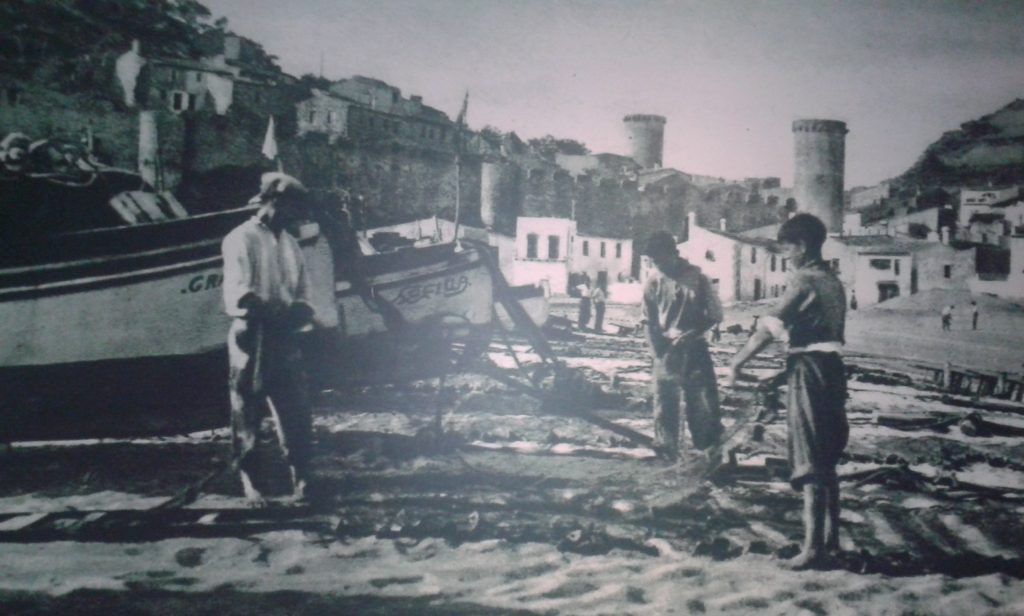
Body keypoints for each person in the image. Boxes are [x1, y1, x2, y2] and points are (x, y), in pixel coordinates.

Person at [726, 213, 848, 570]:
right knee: (827, 457)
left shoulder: (804, 278)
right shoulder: (832, 280)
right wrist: (781, 375)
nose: (785, 255)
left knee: (809, 456)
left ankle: (812, 550)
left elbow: (769, 328)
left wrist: (738, 363)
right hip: (831, 371)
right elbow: (825, 340)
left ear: (803, 246)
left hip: (809, 372)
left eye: (787, 248)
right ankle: (831, 541)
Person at [222, 172, 316, 506]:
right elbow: (238, 290)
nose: (296, 215)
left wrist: (299, 312)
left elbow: (305, 293)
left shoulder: (291, 244)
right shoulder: (240, 238)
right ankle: (251, 483)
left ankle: (301, 478)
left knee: (295, 410)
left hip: (284, 335)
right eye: (291, 207)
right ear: (272, 202)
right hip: (252, 334)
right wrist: (265, 312)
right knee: (246, 409)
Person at [642, 231, 724, 460]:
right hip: (666, 348)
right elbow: (647, 321)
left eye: (660, 258)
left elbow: (715, 314)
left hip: (695, 347)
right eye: (653, 259)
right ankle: (667, 453)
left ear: (674, 254)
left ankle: (707, 453)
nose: (657, 263)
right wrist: (657, 352)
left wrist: (693, 333)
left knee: (702, 404)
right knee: (664, 403)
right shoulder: (653, 279)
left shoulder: (698, 277)